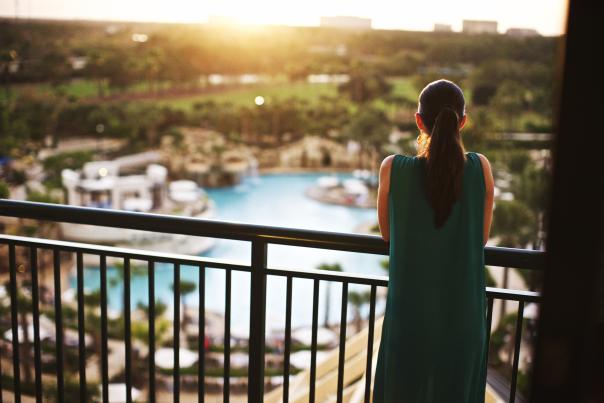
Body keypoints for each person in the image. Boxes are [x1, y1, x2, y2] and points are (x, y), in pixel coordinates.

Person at [373, 79, 495, 402]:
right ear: (463, 123)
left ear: (418, 121)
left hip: (410, 315)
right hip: (463, 318)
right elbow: (481, 238)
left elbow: (387, 234)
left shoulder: (392, 170)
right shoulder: (481, 168)